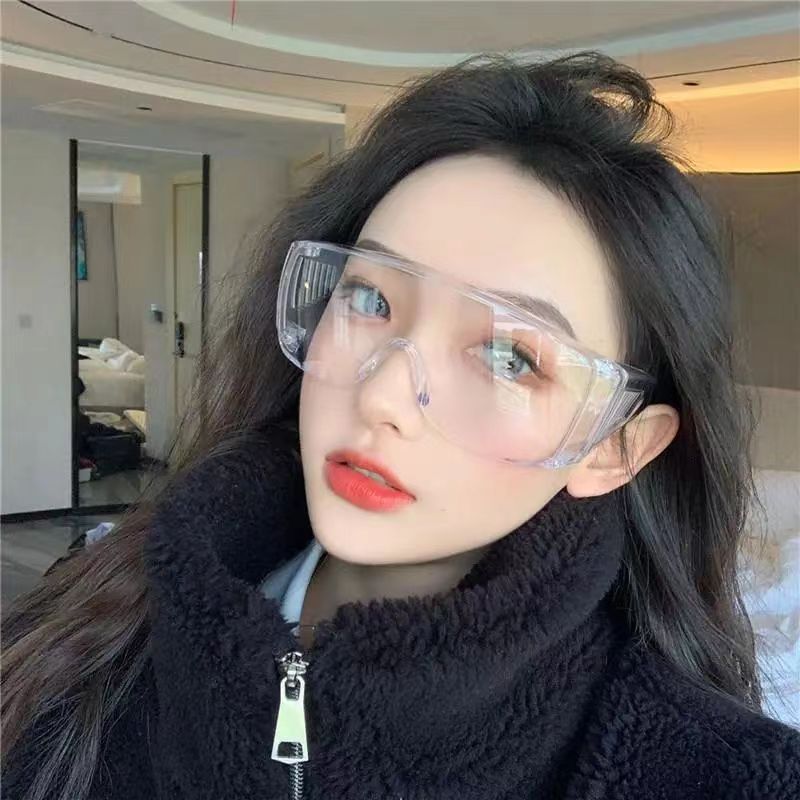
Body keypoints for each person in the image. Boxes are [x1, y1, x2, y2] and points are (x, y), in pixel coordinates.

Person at [2, 52, 799, 800]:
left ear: (616, 447)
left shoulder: (715, 771)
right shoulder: (85, 621)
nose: (382, 394)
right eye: (368, 298)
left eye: (508, 356)